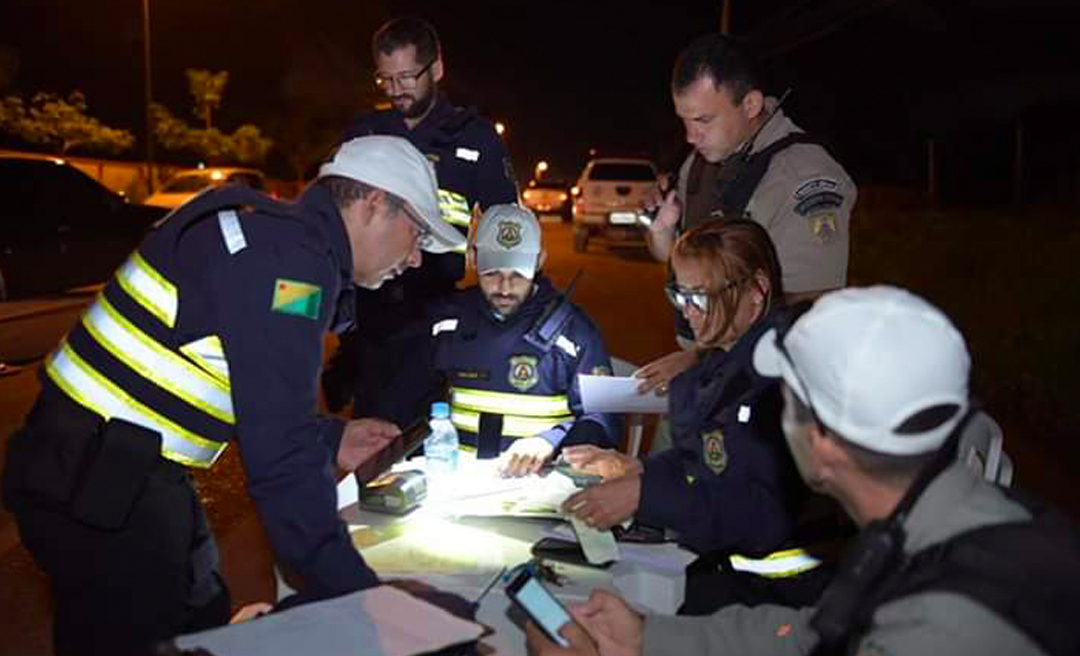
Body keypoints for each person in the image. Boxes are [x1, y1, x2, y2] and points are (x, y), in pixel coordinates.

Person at [0, 135, 466, 656]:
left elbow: (250, 388)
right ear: (375, 202)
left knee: (201, 621)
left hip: (112, 466)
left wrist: (329, 437)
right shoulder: (289, 263)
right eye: (417, 232)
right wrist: (365, 599)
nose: (416, 257)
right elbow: (282, 465)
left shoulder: (275, 241)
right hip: (99, 481)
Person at [527, 286, 1080, 656]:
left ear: (823, 441)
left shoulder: (936, 625)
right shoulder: (951, 525)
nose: (774, 417)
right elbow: (809, 635)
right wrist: (649, 638)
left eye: (783, 401)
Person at [563, 221, 825, 609]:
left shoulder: (781, 381)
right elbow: (704, 458)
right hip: (727, 584)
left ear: (756, 290)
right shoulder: (724, 367)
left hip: (784, 603)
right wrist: (636, 470)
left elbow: (761, 516)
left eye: (699, 297)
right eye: (680, 295)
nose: (687, 313)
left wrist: (643, 495)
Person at [323, 15, 519, 417]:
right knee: (372, 428)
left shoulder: (474, 137)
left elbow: (506, 225)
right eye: (385, 78)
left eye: (407, 77)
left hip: (434, 306)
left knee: (425, 423)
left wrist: (509, 298)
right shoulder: (364, 134)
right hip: (370, 310)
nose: (396, 90)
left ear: (437, 69)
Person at [382, 204, 621, 476]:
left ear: (539, 261)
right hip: (458, 479)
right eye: (492, 273)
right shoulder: (445, 321)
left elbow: (605, 419)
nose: (505, 288)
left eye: (518, 274)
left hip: (544, 483)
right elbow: (401, 402)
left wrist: (550, 442)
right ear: (473, 258)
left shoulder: (574, 331)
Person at [646, 33, 856, 306]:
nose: (690, 137)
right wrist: (660, 231)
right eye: (684, 120)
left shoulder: (804, 178)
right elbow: (673, 259)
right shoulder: (698, 161)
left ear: (750, 105)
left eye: (703, 120)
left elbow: (809, 312)